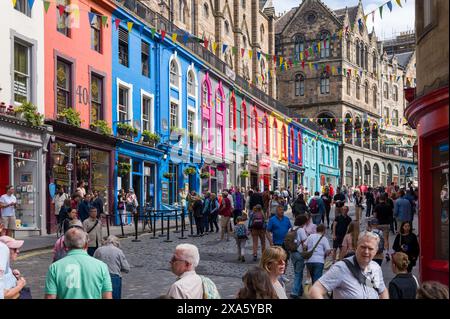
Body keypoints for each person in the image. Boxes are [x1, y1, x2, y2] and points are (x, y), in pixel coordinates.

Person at [309, 231, 389, 299]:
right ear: (356, 246)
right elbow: (315, 289)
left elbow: (382, 290)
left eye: (370, 248)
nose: (366, 252)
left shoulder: (376, 268)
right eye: (363, 247)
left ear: (376, 251)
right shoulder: (341, 268)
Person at [45, 227, 113, 299]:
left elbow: (50, 297)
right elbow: (107, 296)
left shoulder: (55, 267)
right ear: (86, 245)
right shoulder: (101, 266)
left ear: (64, 246)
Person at [288, 215, 308, 299]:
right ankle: (294, 292)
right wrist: (306, 253)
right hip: (299, 254)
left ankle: (300, 291)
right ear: (303, 222)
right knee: (299, 273)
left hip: (292, 253)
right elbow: (305, 243)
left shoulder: (291, 229)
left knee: (296, 271)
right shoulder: (301, 230)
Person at [373, 193, 394, 261]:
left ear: (379, 199)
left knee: (377, 239)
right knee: (386, 239)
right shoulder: (388, 206)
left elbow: (375, 216)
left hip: (378, 224)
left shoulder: (377, 206)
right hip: (386, 224)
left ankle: (378, 252)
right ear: (385, 199)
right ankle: (387, 253)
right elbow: (391, 215)